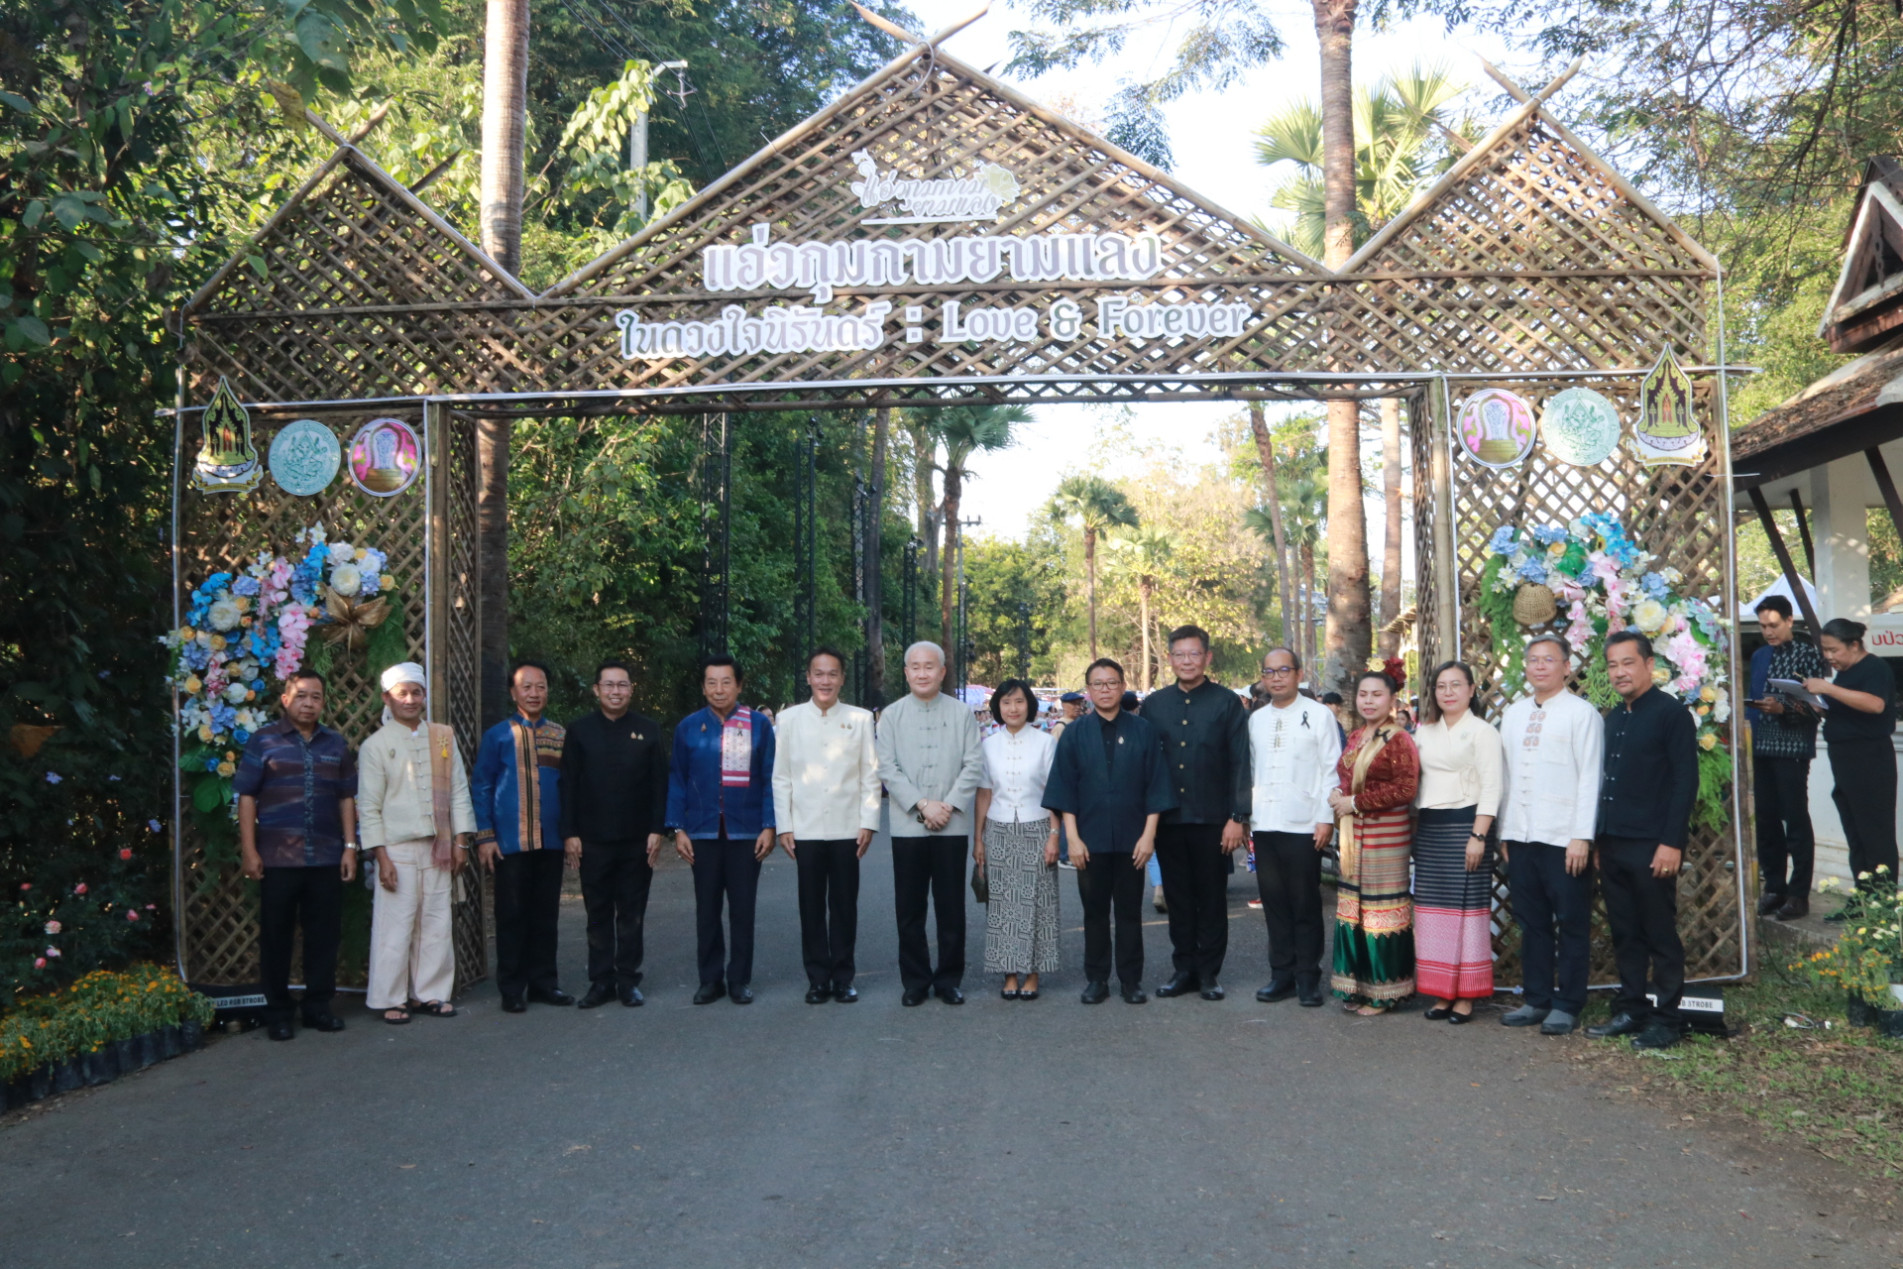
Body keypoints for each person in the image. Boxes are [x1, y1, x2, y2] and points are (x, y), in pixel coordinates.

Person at [1585, 631, 1698, 1051]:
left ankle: (1666, 1020)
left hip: (1653, 845)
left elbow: (1686, 782)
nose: (1620, 672)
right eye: (1613, 665)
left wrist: (1672, 843)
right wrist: (1598, 841)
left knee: (1659, 934)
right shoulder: (1613, 718)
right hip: (1613, 844)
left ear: (1650, 665)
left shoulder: (1671, 714)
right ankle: (1631, 1008)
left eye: (1628, 663)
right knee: (1625, 932)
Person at [1043, 658, 1177, 1004]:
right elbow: (1064, 790)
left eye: (1112, 683)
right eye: (1098, 684)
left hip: (1135, 840)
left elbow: (1156, 787)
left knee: (1130, 913)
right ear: (1088, 690)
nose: (1105, 689)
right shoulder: (1074, 734)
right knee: (1095, 913)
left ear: (1122, 687)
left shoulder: (1143, 731)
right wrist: (1071, 838)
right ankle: (1097, 979)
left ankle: (1131, 981)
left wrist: (1149, 837)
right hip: (1089, 840)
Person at [233, 670, 358, 1041]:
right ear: (286, 700)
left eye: (316, 697)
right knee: (276, 937)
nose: (309, 703)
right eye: (301, 695)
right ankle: (278, 1013)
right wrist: (249, 849)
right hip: (277, 859)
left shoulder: (335, 744)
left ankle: (318, 1007)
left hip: (325, 857)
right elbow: (246, 796)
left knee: (324, 936)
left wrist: (350, 847)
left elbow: (346, 798)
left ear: (323, 702)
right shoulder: (264, 741)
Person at [357, 662, 475, 1024]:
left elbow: (457, 790)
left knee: (436, 921)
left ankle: (431, 994)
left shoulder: (442, 736)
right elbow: (369, 806)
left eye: (416, 692)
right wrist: (381, 857)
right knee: (396, 924)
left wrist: (461, 841)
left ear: (425, 696)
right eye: (402, 693)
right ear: (387, 699)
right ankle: (390, 998)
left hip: (438, 846)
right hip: (397, 850)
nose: (410, 699)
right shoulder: (375, 746)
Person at [1496, 635, 1601, 1036]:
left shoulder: (1581, 713)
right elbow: (1505, 776)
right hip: (1522, 835)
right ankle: (1537, 998)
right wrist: (1506, 830)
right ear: (1525, 666)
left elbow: (1591, 776)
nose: (1540, 666)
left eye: (1549, 660)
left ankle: (1568, 1002)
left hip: (1564, 839)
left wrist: (1582, 836)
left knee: (1572, 921)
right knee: (1532, 921)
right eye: (1533, 660)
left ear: (1566, 666)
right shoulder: (1514, 714)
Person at [1139, 625, 1251, 1001]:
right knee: (1178, 897)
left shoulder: (1226, 703)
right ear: (1169, 658)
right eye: (1179, 654)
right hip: (1169, 819)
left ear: (1207, 657)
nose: (1187, 661)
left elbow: (1240, 762)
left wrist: (1238, 816)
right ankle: (1183, 968)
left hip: (1213, 820)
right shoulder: (1154, 705)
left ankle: (1208, 973)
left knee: (1212, 897)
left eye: (1194, 654)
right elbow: (1146, 764)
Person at [875, 641, 986, 1006]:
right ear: (906, 672)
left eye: (929, 667)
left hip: (951, 826)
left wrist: (948, 805)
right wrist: (923, 805)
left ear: (942, 672)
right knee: (910, 908)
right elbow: (887, 767)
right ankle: (916, 981)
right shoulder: (891, 715)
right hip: (908, 826)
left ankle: (949, 979)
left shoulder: (962, 714)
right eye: (915, 667)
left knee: (951, 907)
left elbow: (973, 764)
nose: (922, 673)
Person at [773, 646, 882, 1005]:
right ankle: (817, 978)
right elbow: (781, 777)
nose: (825, 680)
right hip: (804, 828)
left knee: (844, 905)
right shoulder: (788, 720)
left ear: (841, 679)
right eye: (818, 673)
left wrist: (868, 821)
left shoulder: (861, 719)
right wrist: (784, 826)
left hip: (847, 828)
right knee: (810, 905)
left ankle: (843, 977)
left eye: (832, 674)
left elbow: (870, 774)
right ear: (808, 677)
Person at [666, 655, 776, 1005]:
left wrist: (770, 825)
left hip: (746, 833)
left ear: (739, 685)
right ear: (703, 687)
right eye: (711, 682)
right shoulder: (688, 727)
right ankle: (709, 979)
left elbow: (772, 778)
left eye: (726, 681)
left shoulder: (758, 725)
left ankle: (739, 979)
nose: (718, 689)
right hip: (702, 832)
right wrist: (677, 828)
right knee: (707, 908)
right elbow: (677, 780)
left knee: (743, 909)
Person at [560, 659, 667, 1010]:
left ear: (631, 690)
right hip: (592, 839)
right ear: (596, 690)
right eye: (609, 685)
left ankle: (627, 980)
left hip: (637, 840)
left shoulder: (648, 730)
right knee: (598, 914)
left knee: (632, 912)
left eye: (622, 685)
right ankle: (600, 981)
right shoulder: (579, 731)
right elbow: (569, 784)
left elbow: (658, 785)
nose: (616, 691)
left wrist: (657, 829)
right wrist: (570, 832)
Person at [472, 660, 572, 1013]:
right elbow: (481, 786)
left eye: (540, 686)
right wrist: (485, 837)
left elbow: (571, 788)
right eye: (526, 686)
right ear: (513, 692)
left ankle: (545, 983)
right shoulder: (497, 736)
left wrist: (571, 834)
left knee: (546, 915)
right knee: (511, 915)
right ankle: (512, 988)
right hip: (510, 843)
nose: (534, 693)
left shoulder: (560, 735)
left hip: (551, 842)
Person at [1246, 647, 1342, 1007]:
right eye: (1269, 672)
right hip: (1265, 822)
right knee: (1274, 903)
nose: (1276, 678)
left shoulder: (1318, 716)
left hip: (1304, 824)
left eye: (1283, 670)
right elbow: (1251, 771)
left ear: (1299, 674)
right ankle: (1281, 975)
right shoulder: (1257, 719)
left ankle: (1307, 977)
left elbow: (1331, 769)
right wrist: (1246, 819)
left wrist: (1325, 818)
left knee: (1304, 902)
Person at [1411, 661, 1503, 1023]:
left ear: (1470, 689)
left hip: (1468, 825)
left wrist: (1479, 835)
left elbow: (1493, 786)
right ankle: (1442, 991)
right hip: (1431, 829)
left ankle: (1466, 994)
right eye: (1441, 686)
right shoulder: (1424, 732)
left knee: (1467, 913)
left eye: (1455, 685)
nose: (1448, 692)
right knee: (1434, 913)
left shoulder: (1483, 732)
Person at [1326, 667, 1420, 1015]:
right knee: (1355, 909)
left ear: (1392, 700)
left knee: (1381, 910)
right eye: (1363, 694)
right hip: (1354, 835)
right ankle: (1357, 985)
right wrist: (1340, 793)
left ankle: (1384, 990)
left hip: (1386, 836)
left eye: (1376, 695)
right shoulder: (1355, 736)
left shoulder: (1399, 739)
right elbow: (1348, 777)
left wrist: (1355, 803)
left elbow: (1405, 789)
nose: (1368, 701)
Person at [1805, 617, 1899, 917]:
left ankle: (1884, 905)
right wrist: (1817, 702)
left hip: (1870, 760)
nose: (1829, 657)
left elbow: (1875, 705)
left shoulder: (1874, 668)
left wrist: (1830, 690)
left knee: (1876, 834)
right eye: (1825, 650)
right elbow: (1848, 709)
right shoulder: (1844, 675)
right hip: (1844, 761)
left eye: (1834, 650)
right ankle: (1862, 900)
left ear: (1854, 645)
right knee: (1856, 835)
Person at [974, 678, 1061, 1000]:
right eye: (1007, 702)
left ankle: (1034, 973)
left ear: (1030, 706)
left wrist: (1054, 836)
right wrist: (978, 839)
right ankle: (1009, 972)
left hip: (1037, 827)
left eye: (1020, 701)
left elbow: (1055, 793)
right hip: (997, 829)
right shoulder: (988, 745)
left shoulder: (1045, 742)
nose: (1013, 708)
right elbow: (984, 793)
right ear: (998, 706)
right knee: (1002, 905)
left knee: (1037, 903)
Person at [1748, 596, 1826, 920]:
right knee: (1765, 820)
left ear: (1790, 621)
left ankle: (1798, 894)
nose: (1768, 632)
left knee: (1794, 819)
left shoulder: (1808, 654)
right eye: (1764, 626)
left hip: (1792, 750)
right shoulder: (1759, 655)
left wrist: (1784, 708)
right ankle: (1775, 887)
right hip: (1761, 747)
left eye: (1774, 625)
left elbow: (1818, 708)